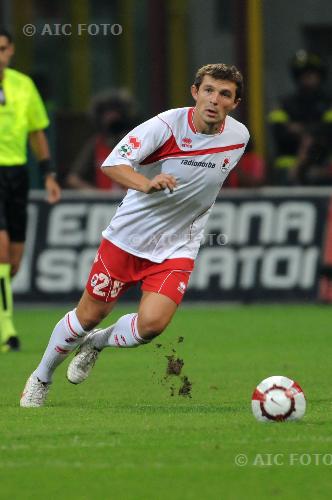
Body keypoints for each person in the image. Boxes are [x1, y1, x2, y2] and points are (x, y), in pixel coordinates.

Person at [20, 63, 249, 407]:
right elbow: (112, 163)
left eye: (224, 94)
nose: (214, 99)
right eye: (209, 90)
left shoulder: (239, 137)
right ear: (194, 92)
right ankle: (41, 376)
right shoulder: (164, 126)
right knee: (88, 315)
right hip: (127, 239)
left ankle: (98, 344)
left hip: (178, 245)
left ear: (235, 103)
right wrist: (146, 183)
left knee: (152, 326)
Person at [0, 28, 61, 352]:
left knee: (13, 261)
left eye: (2, 49)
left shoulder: (23, 86)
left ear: (10, 52)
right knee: (0, 246)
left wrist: (49, 174)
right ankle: (7, 330)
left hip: (16, 174)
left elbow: (37, 133)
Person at [268, 50, 332, 185]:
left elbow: (327, 134)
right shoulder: (284, 104)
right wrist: (313, 131)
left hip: (322, 166)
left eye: (311, 74)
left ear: (320, 75)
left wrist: (300, 130)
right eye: (303, 75)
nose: (307, 78)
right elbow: (281, 136)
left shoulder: (328, 103)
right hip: (288, 167)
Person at [66, 89, 138, 192]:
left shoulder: (136, 141)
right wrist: (97, 195)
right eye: (107, 113)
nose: (111, 117)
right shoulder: (96, 143)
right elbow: (73, 179)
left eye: (115, 112)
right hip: (103, 205)